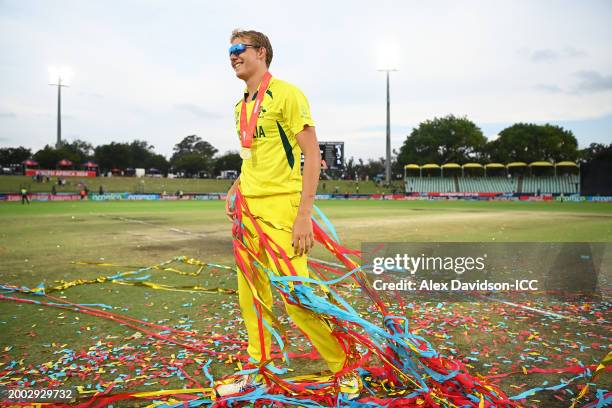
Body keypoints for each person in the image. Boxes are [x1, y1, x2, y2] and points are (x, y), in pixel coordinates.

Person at [217, 29, 361, 398]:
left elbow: (312, 155)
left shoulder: (287, 94)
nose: (232, 56)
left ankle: (345, 366)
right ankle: (258, 369)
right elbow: (252, 157)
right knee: (251, 294)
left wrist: (303, 216)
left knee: (296, 296)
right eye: (229, 51)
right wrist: (236, 188)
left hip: (283, 210)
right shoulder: (239, 106)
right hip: (248, 211)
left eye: (239, 49)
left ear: (261, 52)